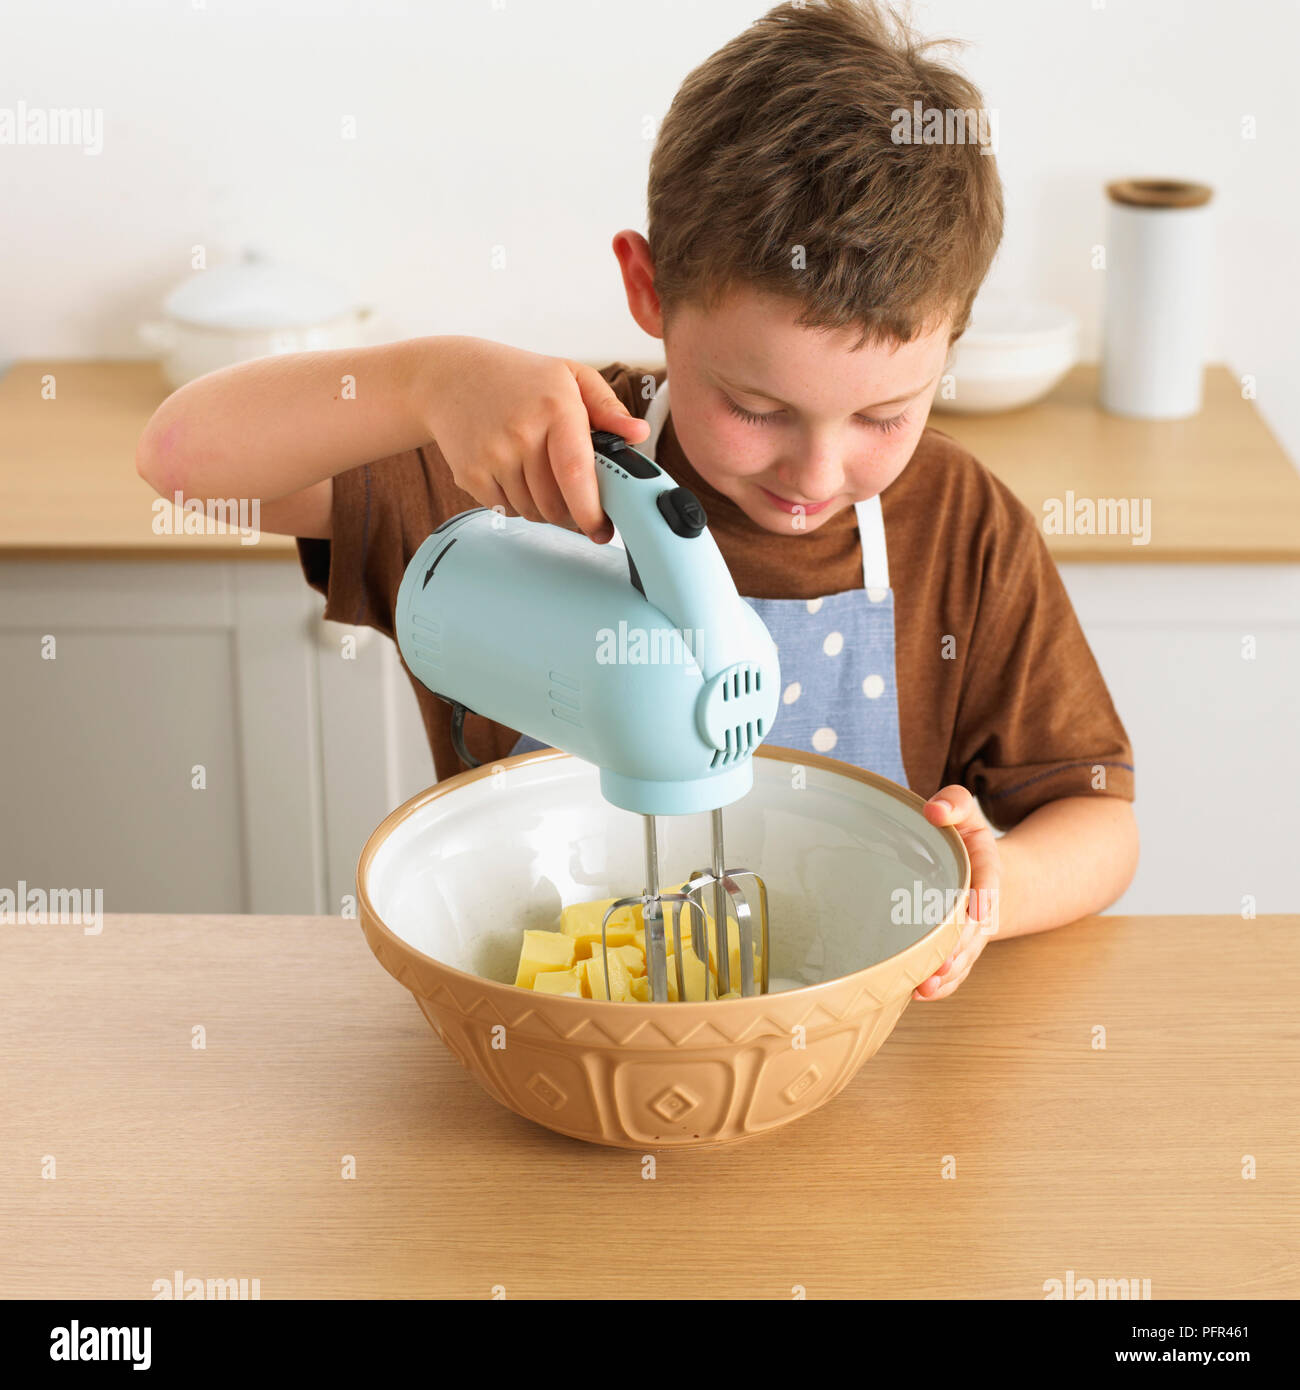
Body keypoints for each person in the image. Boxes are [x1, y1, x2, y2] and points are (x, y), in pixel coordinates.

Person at [137, 0, 1138, 1001]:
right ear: (649, 287)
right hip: (531, 1047)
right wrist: (423, 384)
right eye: (755, 406)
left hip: (848, 1075)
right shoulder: (523, 465)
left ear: (952, 338)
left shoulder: (959, 529)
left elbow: (1099, 819)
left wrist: (996, 884)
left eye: (882, 417)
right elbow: (180, 461)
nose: (815, 473)